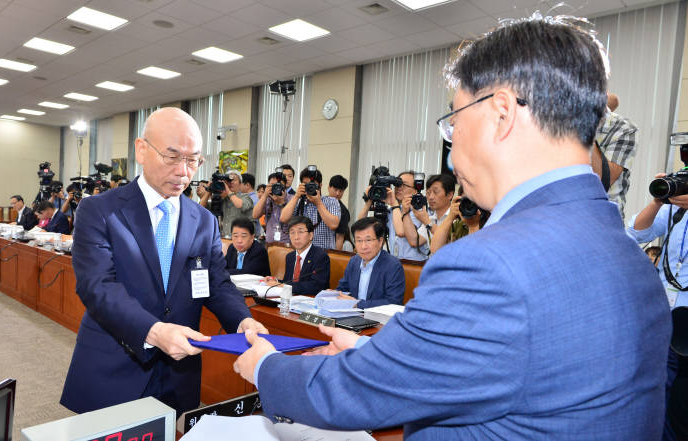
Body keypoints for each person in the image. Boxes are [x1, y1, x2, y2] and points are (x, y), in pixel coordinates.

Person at [234, 15, 670, 440]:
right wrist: (378, 354)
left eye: (455, 122)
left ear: (502, 113)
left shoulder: (489, 262)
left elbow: (354, 394)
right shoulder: (628, 252)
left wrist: (267, 366)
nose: (451, 146)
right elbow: (525, 368)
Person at [60, 107, 267, 417]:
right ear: (141, 150)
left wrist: (242, 320)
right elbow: (98, 286)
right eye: (173, 157)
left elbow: (216, 284)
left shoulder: (204, 221)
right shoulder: (99, 210)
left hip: (176, 373)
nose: (184, 171)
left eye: (193, 160)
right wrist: (154, 331)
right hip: (114, 365)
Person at [626, 173, 688, 441]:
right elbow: (635, 233)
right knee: (659, 389)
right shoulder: (674, 212)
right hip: (666, 315)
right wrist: (658, 201)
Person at [357, 171, 430, 261]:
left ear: (416, 189)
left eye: (404, 185)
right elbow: (361, 225)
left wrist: (394, 203)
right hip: (394, 263)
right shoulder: (392, 210)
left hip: (414, 264)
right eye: (397, 184)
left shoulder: (420, 211)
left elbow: (401, 232)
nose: (399, 188)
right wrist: (370, 200)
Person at [335, 217, 404, 308]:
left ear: (380, 241)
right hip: (352, 316)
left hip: (377, 319)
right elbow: (343, 288)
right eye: (359, 241)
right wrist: (334, 294)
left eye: (368, 240)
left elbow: (394, 302)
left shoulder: (393, 266)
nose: (363, 246)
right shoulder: (354, 261)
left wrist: (358, 304)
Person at [591, 94, 638, 221]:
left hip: (602, 222)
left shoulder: (622, 128)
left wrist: (584, 127)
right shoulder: (547, 122)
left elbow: (602, 181)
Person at [280, 166, 341, 250]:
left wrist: (318, 203)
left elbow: (334, 225)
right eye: (306, 184)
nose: (309, 187)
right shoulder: (298, 203)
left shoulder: (330, 201)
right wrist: (296, 196)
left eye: (312, 184)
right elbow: (283, 218)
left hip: (323, 254)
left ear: (320, 185)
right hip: (302, 254)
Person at [279, 216, 330, 295]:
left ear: (310, 235)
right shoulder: (290, 257)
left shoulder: (320, 256)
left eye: (300, 232)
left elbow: (316, 286)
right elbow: (288, 282)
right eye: (292, 232)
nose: (296, 237)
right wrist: (275, 282)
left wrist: (285, 286)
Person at [200, 170, 254, 237]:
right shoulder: (224, 198)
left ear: (240, 184)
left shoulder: (245, 197)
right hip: (226, 237)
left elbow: (240, 205)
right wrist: (209, 190)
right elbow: (201, 207)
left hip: (242, 239)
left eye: (234, 180)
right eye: (228, 181)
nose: (231, 182)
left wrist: (227, 190)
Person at [405, 174, 455, 246]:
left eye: (436, 192)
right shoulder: (431, 218)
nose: (430, 197)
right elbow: (415, 241)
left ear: (450, 195)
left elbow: (449, 243)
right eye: (428, 193)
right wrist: (405, 213)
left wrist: (427, 221)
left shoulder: (456, 217)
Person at [253, 172, 290, 244]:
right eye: (273, 185)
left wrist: (281, 203)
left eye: (279, 185)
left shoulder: (292, 199)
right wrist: (265, 195)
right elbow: (255, 215)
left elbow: (284, 219)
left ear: (285, 186)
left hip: (287, 244)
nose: (276, 187)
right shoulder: (268, 200)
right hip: (269, 243)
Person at [328, 174, 351, 250]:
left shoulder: (344, 212)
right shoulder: (319, 203)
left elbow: (339, 238)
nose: (338, 193)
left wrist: (335, 257)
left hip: (330, 250)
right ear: (329, 188)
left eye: (340, 191)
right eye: (335, 190)